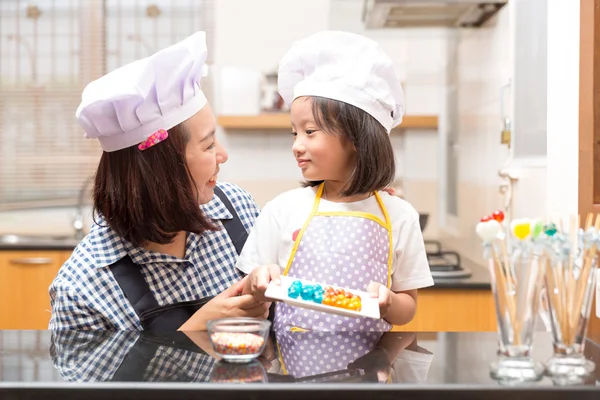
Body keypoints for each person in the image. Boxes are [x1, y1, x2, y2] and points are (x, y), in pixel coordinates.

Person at [48, 31, 272, 330]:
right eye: (207, 145)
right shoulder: (83, 289)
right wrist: (195, 331)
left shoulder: (238, 210)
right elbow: (96, 377)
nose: (223, 155)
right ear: (162, 170)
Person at [237, 31, 434, 333]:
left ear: (356, 138)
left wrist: (388, 303)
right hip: (292, 370)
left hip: (370, 371)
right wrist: (258, 282)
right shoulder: (282, 209)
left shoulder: (400, 215)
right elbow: (249, 292)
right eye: (295, 132)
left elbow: (408, 307)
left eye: (310, 131)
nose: (297, 145)